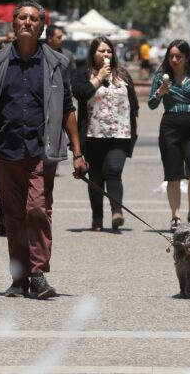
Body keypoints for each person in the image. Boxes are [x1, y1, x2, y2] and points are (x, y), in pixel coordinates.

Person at [0, 1, 88, 299]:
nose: (28, 22)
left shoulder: (57, 63)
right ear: (13, 23)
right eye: (22, 17)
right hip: (5, 150)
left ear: (42, 26)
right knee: (14, 216)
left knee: (36, 209)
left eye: (34, 19)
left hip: (40, 149)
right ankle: (19, 277)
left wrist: (78, 151)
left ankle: (37, 273)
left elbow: (68, 108)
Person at [72, 36, 139, 232]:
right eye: (102, 51)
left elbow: (133, 102)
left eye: (109, 51)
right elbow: (80, 93)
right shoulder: (83, 74)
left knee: (113, 170)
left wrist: (136, 125)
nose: (106, 54)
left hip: (120, 133)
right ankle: (97, 217)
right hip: (93, 133)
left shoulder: (123, 75)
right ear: (93, 53)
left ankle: (116, 212)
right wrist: (99, 77)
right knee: (95, 177)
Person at [148, 39, 190, 232]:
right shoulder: (161, 76)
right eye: (171, 56)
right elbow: (151, 104)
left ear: (187, 58)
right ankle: (175, 215)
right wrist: (159, 93)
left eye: (179, 56)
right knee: (173, 174)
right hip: (170, 126)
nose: (174, 60)